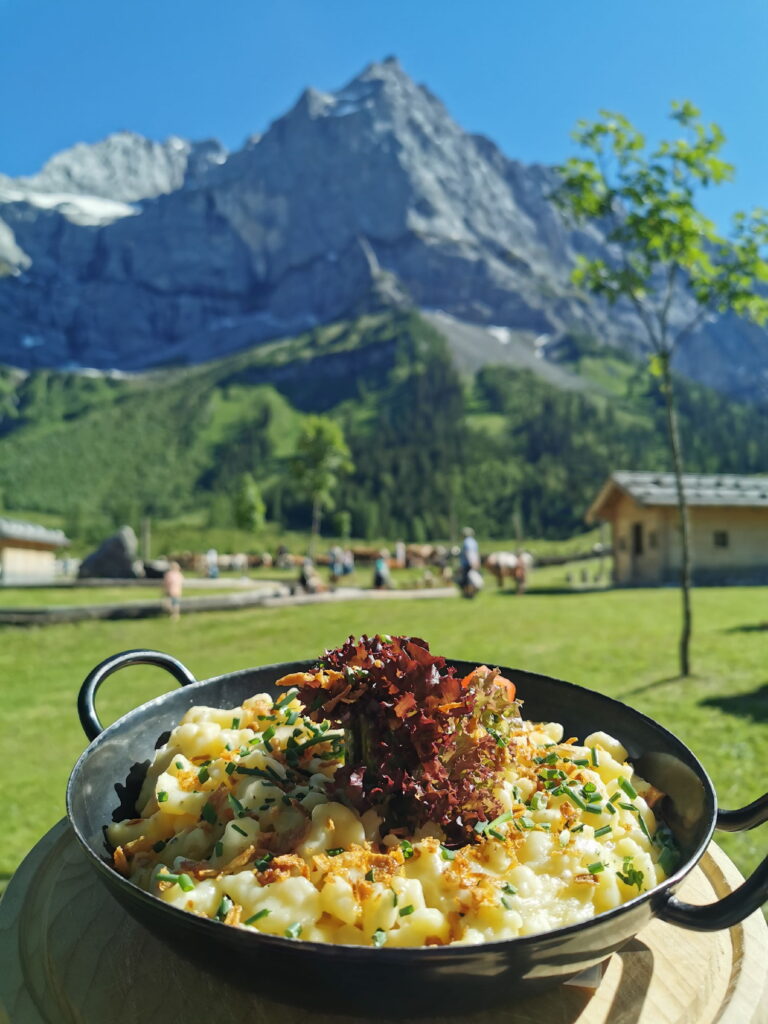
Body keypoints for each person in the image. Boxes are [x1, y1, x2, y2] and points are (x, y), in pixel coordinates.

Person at [459, 527, 481, 597]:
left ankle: (469, 594)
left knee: (467, 580)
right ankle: (469, 594)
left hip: (468, 564)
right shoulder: (473, 541)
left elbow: (470, 553)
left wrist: (472, 563)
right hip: (474, 563)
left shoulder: (467, 542)